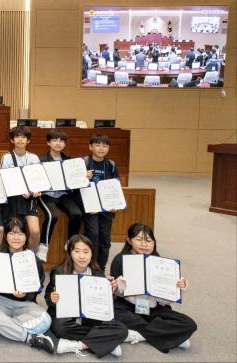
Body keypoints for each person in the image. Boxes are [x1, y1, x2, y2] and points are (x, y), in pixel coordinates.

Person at [110, 223, 197, 353]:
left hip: (152, 308)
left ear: (154, 243)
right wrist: (119, 287)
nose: (144, 244)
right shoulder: (120, 260)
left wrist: (177, 288)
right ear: (129, 240)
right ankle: (170, 336)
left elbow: (164, 301)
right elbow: (115, 294)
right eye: (139, 239)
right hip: (127, 307)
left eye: (149, 240)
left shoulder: (160, 263)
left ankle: (140, 335)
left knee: (189, 324)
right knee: (112, 314)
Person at [45, 234, 128, 358]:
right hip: (66, 318)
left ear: (91, 254)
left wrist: (110, 291)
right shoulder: (59, 271)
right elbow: (48, 296)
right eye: (77, 251)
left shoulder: (98, 273)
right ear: (70, 253)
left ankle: (78, 346)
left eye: (86, 252)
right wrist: (52, 298)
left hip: (90, 318)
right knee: (59, 328)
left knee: (122, 329)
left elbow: (105, 307)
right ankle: (106, 342)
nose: (82, 256)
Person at [0, 218, 54, 354]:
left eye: (20, 234)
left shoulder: (34, 259)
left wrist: (26, 295)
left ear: (26, 237)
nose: (16, 237)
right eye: (12, 233)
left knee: (46, 320)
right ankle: (29, 338)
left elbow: (38, 288)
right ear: (5, 236)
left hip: (24, 304)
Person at [38, 129, 82, 259]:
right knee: (53, 215)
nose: (58, 143)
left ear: (65, 144)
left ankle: (70, 243)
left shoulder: (69, 161)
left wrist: (83, 176)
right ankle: (43, 246)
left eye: (61, 141)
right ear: (48, 143)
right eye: (55, 140)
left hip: (63, 195)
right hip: (46, 195)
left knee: (77, 214)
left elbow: (75, 180)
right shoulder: (41, 160)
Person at [0, 126, 42, 251]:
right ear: (12, 140)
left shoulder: (34, 158)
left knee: (35, 232)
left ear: (28, 140)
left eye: (23, 137)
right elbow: (5, 180)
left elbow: (39, 179)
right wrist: (20, 190)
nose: (20, 140)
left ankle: (31, 257)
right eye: (17, 137)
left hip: (29, 200)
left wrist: (35, 190)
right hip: (14, 200)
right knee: (14, 232)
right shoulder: (6, 158)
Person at [82, 134, 119, 270]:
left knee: (105, 240)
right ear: (90, 147)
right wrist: (83, 177)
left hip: (106, 208)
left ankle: (100, 269)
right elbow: (74, 185)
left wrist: (115, 204)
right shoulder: (83, 162)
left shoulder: (111, 165)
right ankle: (90, 266)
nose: (101, 148)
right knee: (93, 236)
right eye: (98, 145)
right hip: (90, 207)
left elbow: (116, 186)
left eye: (105, 145)